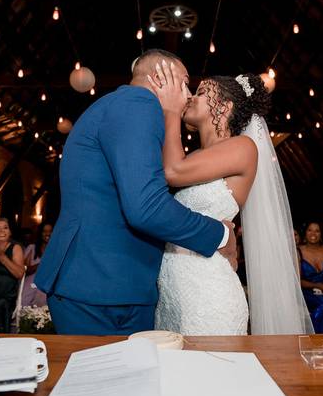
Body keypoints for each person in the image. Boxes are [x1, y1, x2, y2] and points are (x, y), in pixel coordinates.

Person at [35, 49, 237, 335]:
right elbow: (146, 207)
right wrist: (220, 234)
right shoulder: (137, 104)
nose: (189, 95)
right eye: (184, 83)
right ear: (160, 78)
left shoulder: (119, 106)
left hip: (114, 282)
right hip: (101, 285)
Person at [148, 68, 312, 335]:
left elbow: (172, 171)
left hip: (209, 296)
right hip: (174, 294)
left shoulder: (243, 147)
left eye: (201, 92)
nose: (190, 97)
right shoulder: (194, 157)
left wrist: (170, 110)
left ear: (225, 107)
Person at [22, 223, 52, 306]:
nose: (48, 234)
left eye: (50, 231)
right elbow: (24, 269)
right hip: (31, 283)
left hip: (46, 285)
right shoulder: (32, 248)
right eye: (44, 231)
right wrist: (41, 265)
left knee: (42, 308)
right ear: (40, 233)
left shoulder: (56, 249)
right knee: (24, 304)